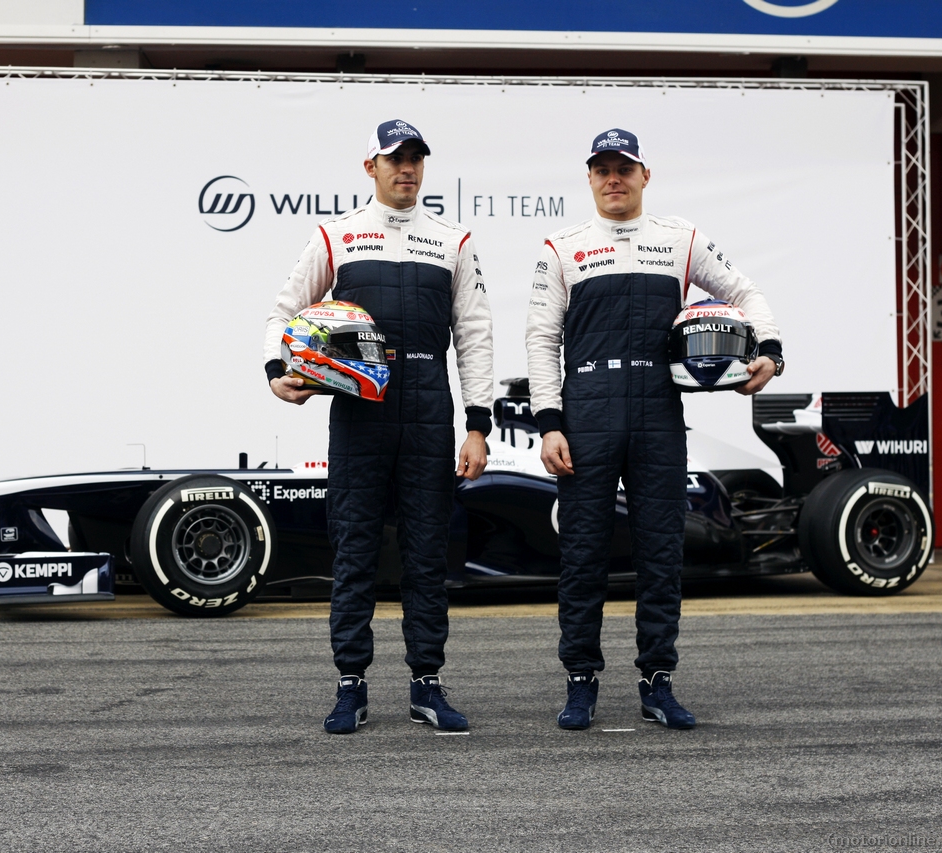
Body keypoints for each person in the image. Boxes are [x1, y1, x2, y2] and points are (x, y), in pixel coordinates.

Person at [524, 128, 784, 731]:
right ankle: (581, 680)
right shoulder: (561, 248)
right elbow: (540, 340)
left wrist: (768, 349)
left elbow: (745, 291)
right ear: (589, 178)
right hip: (587, 410)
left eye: (625, 168)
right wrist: (549, 423)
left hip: (659, 410)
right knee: (584, 552)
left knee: (662, 552)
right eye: (602, 169)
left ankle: (657, 681)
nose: (613, 179)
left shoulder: (681, 240)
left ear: (645, 176)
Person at [264, 119, 494, 734]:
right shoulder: (335, 236)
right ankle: (351, 685)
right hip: (358, 410)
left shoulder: (453, 239)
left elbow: (473, 336)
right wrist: (277, 371)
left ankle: (427, 684)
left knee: (425, 555)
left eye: (416, 159)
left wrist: (477, 425)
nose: (407, 169)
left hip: (426, 406)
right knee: (355, 550)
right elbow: (285, 312)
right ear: (370, 167)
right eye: (394, 159)